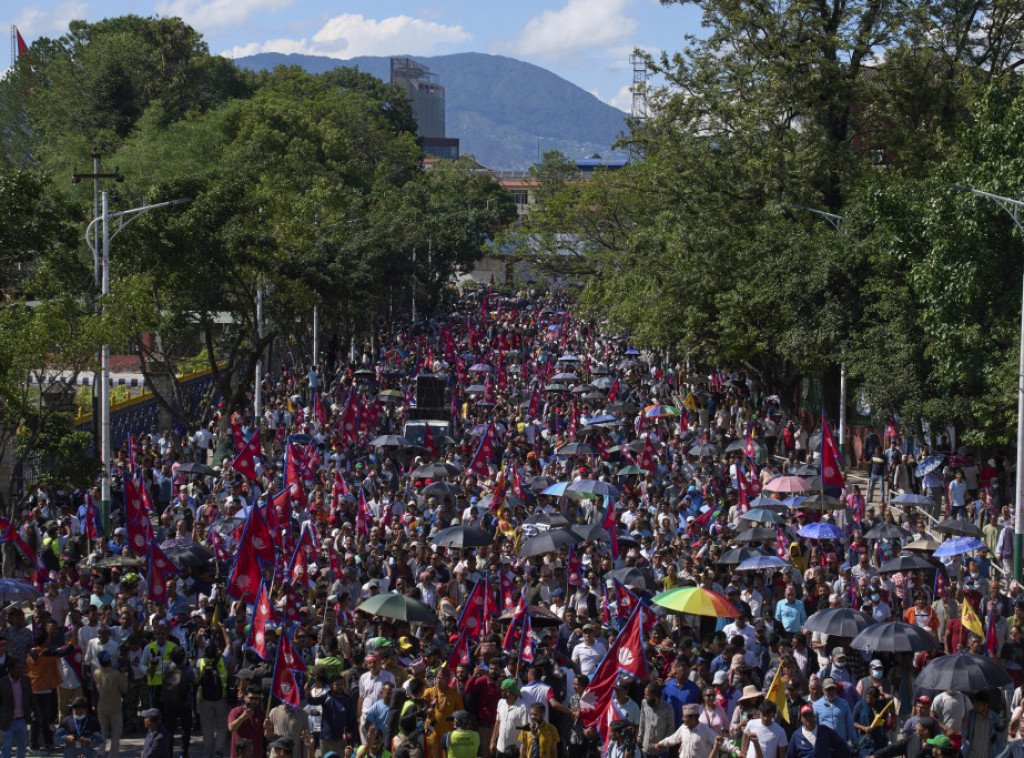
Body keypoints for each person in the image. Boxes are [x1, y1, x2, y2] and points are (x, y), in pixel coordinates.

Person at [650, 703, 721, 758]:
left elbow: (721, 743)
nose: (682, 719)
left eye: (685, 717)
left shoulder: (706, 731)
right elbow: (673, 739)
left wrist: (731, 748)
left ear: (693, 718)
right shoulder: (683, 728)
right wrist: (660, 743)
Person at [92, 650, 126, 758]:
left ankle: (101, 751)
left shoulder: (96, 673)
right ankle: (113, 755)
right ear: (109, 661)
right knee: (116, 734)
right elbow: (124, 688)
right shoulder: (116, 674)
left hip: (102, 706)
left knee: (102, 731)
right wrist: (124, 674)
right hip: (115, 707)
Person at [0, 658, 35, 758]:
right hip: (7, 721)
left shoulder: (25, 680)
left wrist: (37, 713)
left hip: (22, 720)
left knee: (22, 747)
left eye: (20, 668)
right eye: (17, 668)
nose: (20, 670)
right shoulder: (2, 683)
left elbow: (31, 698)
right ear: (11, 670)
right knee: (7, 747)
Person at [228, 687, 273, 758]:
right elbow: (231, 728)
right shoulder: (235, 712)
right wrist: (242, 717)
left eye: (257, 699)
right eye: (251, 698)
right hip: (239, 754)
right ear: (245, 697)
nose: (254, 701)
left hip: (255, 754)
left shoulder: (262, 714)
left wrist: (268, 728)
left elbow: (267, 736)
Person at [493, 679, 528, 758]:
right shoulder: (501, 702)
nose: (500, 692)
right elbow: (498, 722)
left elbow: (526, 730)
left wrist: (523, 751)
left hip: (515, 751)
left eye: (502, 690)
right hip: (500, 748)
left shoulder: (523, 707)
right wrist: (493, 741)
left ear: (508, 691)